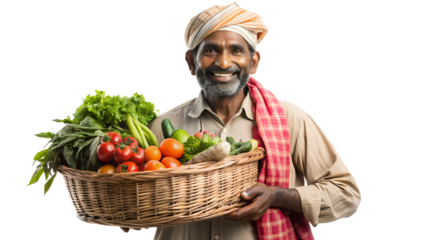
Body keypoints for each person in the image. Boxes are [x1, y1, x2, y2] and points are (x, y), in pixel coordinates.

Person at [119, 2, 362, 239]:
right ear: (191, 61)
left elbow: (346, 193)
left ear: (255, 61)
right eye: (210, 50)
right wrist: (130, 213)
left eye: (236, 51)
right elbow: (136, 197)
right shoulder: (162, 125)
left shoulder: (292, 120)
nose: (224, 63)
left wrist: (278, 196)